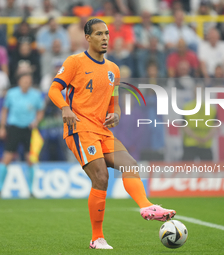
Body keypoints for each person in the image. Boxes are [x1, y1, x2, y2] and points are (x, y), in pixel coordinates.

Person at [48, 18, 175, 250]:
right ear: (88, 38)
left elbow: (113, 103)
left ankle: (146, 206)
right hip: (79, 128)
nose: (105, 38)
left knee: (130, 163)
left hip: (102, 129)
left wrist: (115, 114)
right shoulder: (74, 62)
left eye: (106, 33)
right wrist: (65, 108)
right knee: (101, 177)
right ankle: (97, 238)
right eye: (99, 34)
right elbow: (54, 89)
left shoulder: (113, 70)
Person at [0, 73, 44, 197]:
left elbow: (40, 111)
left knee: (30, 159)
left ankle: (31, 190)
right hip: (14, 128)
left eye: (28, 81)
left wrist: (36, 121)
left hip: (29, 129)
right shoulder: (11, 94)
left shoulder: (36, 95)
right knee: (7, 157)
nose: (26, 83)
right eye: (24, 81)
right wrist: (2, 127)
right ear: (19, 82)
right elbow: (4, 110)